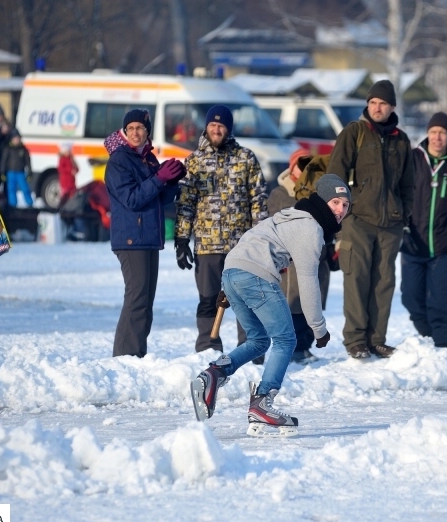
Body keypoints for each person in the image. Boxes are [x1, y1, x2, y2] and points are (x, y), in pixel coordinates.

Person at [190, 174, 350, 437]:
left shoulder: (288, 216)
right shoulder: (311, 228)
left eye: (345, 205)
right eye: (335, 202)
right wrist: (318, 329)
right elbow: (309, 282)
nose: (341, 210)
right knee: (286, 339)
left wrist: (228, 286)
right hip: (255, 276)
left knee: (258, 340)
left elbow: (252, 240)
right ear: (322, 200)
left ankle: (215, 374)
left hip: (232, 272)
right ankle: (263, 403)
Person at [326, 80, 414, 359]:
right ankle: (355, 340)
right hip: (358, 221)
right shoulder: (355, 132)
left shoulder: (401, 139)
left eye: (383, 103)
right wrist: (340, 214)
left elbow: (409, 184)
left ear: (392, 107)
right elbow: (335, 176)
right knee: (356, 279)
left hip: (391, 225)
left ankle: (377, 339)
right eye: (373, 102)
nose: (377, 108)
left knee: (384, 282)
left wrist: (404, 213)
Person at [175, 105, 268, 353]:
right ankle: (208, 346)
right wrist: (182, 240)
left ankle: (250, 347)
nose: (216, 130)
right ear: (206, 128)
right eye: (213, 125)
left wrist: (260, 240)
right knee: (208, 299)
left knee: (246, 299)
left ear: (228, 129)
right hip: (207, 245)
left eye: (221, 126)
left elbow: (258, 201)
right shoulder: (194, 162)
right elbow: (186, 204)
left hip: (242, 246)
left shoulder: (246, 158)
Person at [104, 109, 185, 358]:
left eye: (140, 128)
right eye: (131, 129)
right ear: (124, 132)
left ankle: (137, 353)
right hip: (131, 239)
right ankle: (125, 357)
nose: (136, 132)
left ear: (147, 131)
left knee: (146, 304)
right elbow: (132, 199)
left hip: (149, 237)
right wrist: (160, 179)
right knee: (136, 300)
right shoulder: (119, 160)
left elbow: (159, 198)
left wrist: (172, 183)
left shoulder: (148, 159)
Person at [400, 112, 447, 349]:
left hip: (443, 245)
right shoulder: (412, 159)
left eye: (443, 133)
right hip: (411, 242)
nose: (437, 137)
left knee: (442, 297)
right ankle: (429, 335)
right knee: (410, 297)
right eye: (433, 132)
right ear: (427, 134)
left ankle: (445, 342)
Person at [268, 148, 333, 365]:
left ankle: (305, 346)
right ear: (292, 166)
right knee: (294, 304)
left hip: (316, 257)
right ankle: (294, 349)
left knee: (312, 303)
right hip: (291, 258)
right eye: (300, 163)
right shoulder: (280, 192)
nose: (305, 168)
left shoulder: (321, 191)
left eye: (309, 164)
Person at [0, 133, 33, 208]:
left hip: (20, 172)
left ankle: (30, 203)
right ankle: (12, 205)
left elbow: (28, 161)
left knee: (25, 189)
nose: (17, 140)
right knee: (11, 190)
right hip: (10, 173)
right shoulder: (8, 148)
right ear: (12, 139)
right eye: (15, 139)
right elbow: (4, 161)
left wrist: (30, 172)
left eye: (18, 138)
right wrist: (2, 172)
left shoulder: (23, 149)